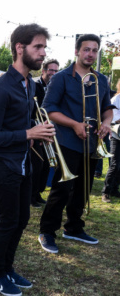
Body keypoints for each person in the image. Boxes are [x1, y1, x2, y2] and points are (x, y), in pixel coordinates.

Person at [0, 23, 55, 296]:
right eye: (37, 47)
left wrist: (36, 135)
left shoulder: (29, 84)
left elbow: (18, 126)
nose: (42, 53)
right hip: (2, 164)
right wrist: (29, 132)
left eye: (44, 48)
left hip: (22, 161)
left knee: (22, 218)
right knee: (7, 221)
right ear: (19, 48)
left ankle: (7, 268)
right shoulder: (1, 88)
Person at [38, 34, 114, 254]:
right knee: (61, 190)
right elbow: (49, 109)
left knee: (83, 189)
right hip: (67, 141)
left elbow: (107, 108)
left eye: (94, 50)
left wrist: (107, 123)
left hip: (91, 143)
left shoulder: (100, 79)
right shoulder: (61, 78)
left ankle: (73, 227)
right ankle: (47, 231)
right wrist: (74, 124)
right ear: (77, 51)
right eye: (86, 49)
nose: (90, 54)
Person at [31, 59, 60, 207]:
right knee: (37, 165)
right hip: (36, 129)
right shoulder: (35, 86)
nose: (53, 74)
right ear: (43, 71)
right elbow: (31, 110)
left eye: (56, 71)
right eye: (51, 70)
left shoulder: (55, 87)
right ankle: (31, 195)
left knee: (48, 164)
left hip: (49, 130)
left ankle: (38, 193)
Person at [101, 79, 120, 202]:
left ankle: (114, 189)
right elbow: (112, 118)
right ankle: (105, 192)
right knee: (114, 164)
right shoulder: (116, 99)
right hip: (116, 135)